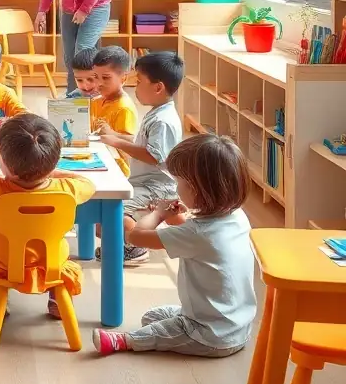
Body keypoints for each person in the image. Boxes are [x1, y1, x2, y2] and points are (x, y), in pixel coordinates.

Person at [93, 133, 256, 357]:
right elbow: (196, 238)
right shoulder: (237, 216)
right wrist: (175, 215)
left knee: (161, 329)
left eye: (178, 182)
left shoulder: (197, 234)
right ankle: (185, 326)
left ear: (197, 191)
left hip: (211, 336)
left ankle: (122, 341)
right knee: (152, 316)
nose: (175, 187)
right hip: (237, 326)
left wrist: (158, 214)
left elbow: (135, 237)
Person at [0, 114, 95, 323]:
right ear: (54, 161)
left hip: (3, 264)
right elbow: (88, 183)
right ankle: (57, 297)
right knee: (59, 259)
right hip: (53, 265)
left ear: (3, 162)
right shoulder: (67, 189)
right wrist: (51, 172)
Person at [97, 51, 183, 265]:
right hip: (150, 183)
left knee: (109, 214)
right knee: (105, 213)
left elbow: (153, 156)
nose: (135, 88)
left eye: (139, 82)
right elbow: (142, 143)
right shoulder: (157, 112)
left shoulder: (162, 120)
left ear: (158, 87)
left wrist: (116, 142)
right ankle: (178, 227)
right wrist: (114, 135)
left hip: (156, 187)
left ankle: (134, 247)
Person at [89, 46, 137, 176]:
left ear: (123, 79)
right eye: (96, 77)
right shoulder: (96, 101)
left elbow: (131, 142)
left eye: (105, 78)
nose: (99, 83)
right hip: (96, 157)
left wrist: (111, 133)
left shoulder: (124, 108)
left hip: (116, 169)